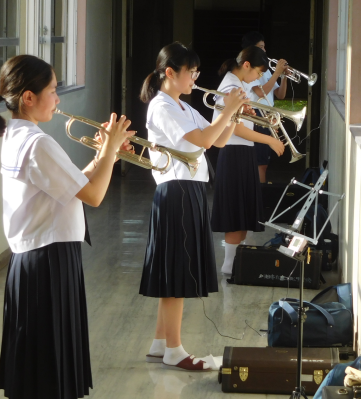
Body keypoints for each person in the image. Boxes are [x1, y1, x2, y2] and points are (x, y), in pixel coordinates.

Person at [0, 54, 134, 399]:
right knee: (49, 372)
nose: (58, 99)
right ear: (29, 98)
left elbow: (68, 186)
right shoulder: (38, 143)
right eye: (52, 90)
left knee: (40, 369)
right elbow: (93, 196)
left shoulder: (18, 135)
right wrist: (109, 150)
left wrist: (101, 156)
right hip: (48, 263)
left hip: (35, 261)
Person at [139, 42, 247, 371]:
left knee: (175, 269)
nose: (195, 78)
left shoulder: (182, 106)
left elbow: (218, 139)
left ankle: (161, 343)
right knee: (179, 272)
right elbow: (200, 141)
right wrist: (227, 111)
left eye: (198, 72)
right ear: (170, 73)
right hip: (177, 191)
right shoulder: (162, 107)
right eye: (191, 72)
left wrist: (233, 114)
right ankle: (175, 349)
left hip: (189, 189)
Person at [211, 46, 285, 274]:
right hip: (234, 153)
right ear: (246, 66)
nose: (258, 77)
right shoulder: (231, 87)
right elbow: (237, 130)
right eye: (257, 72)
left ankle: (236, 263)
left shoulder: (240, 84)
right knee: (235, 213)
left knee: (242, 213)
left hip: (242, 153)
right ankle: (229, 265)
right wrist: (270, 140)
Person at [241, 31, 289, 183]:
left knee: (264, 163)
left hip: (268, 117)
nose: (265, 50)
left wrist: (283, 76)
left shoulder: (267, 69)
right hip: (257, 117)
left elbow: (280, 95)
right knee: (260, 163)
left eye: (264, 47)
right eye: (261, 47)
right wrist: (277, 73)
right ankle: (259, 197)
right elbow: (260, 92)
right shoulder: (250, 69)